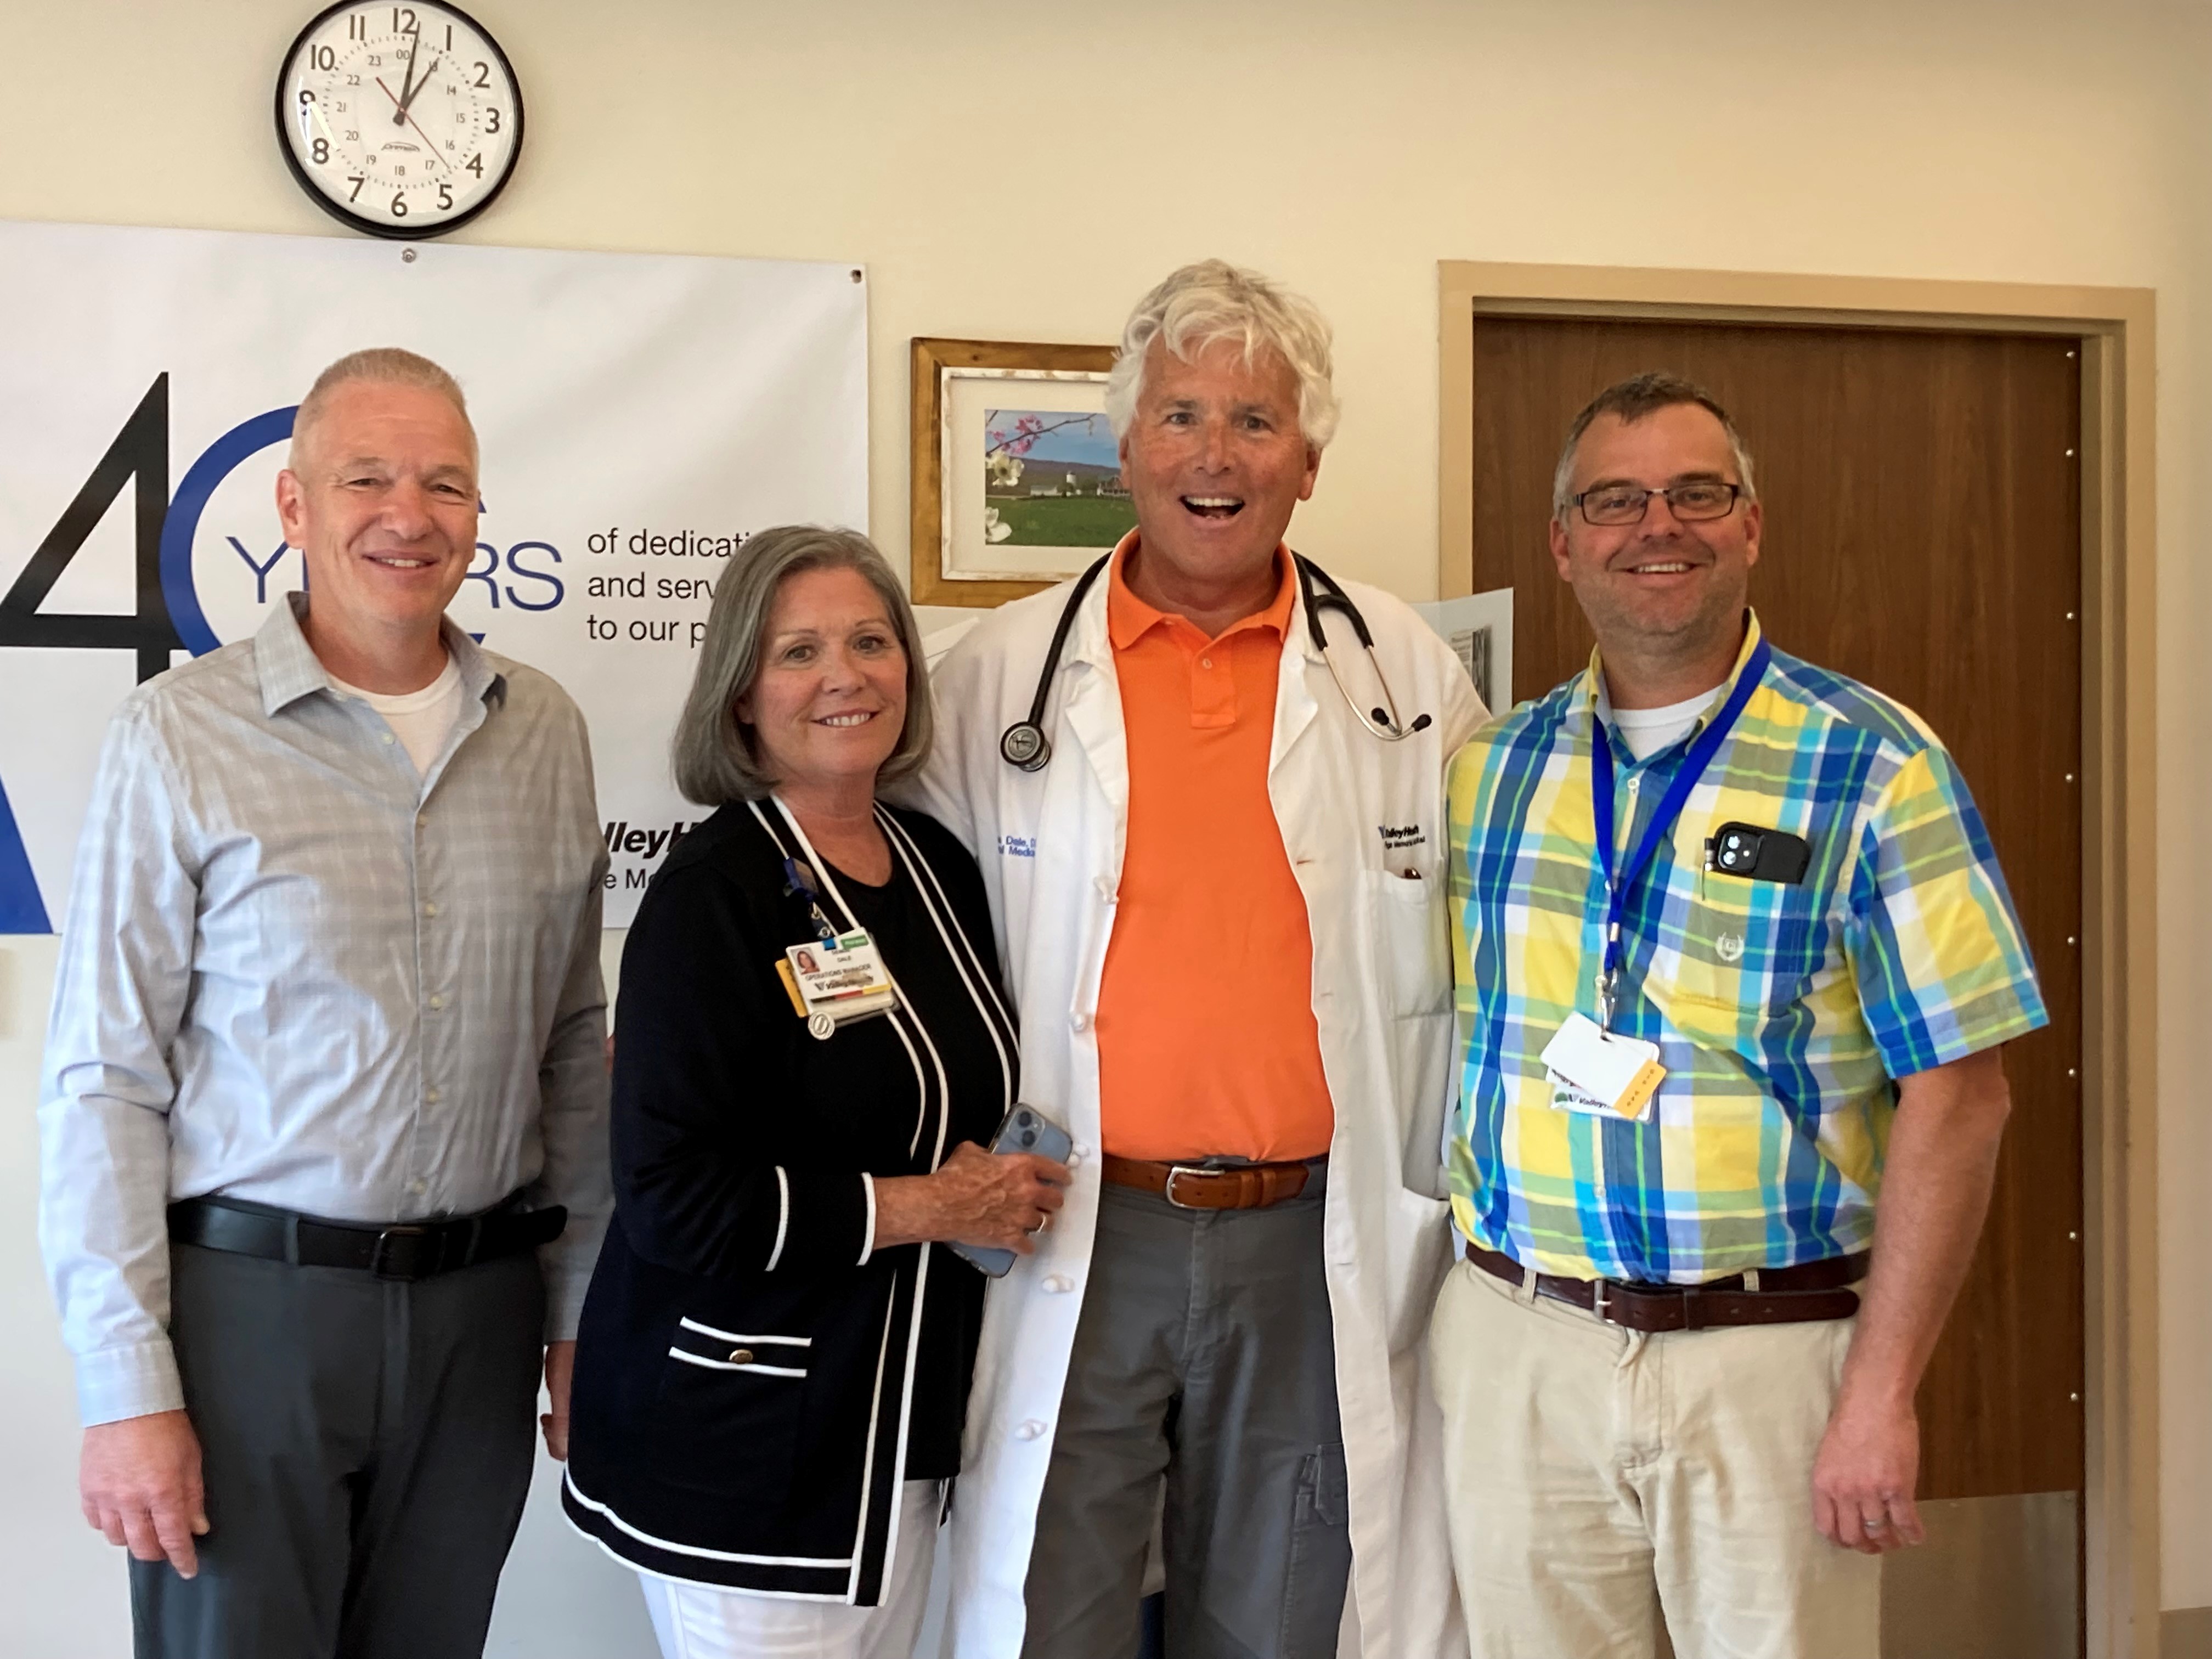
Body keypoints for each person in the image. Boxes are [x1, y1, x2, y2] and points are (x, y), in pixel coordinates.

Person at [911, 261, 1486, 1659]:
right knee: (1058, 1606)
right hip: (1078, 1229)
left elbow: (1485, 953)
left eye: (1254, 420)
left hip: (1312, 1237)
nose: (1214, 456)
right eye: (1179, 416)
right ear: (1126, 444)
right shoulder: (998, 676)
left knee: (1285, 1612)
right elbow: (915, 954)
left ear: (1308, 459)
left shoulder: (1403, 672)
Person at [1433, 371, 2049, 1658]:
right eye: (1614, 499)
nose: (1657, 526)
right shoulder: (1489, 773)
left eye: (1696, 493)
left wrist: (1882, 1394)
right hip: (1518, 1351)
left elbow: (1964, 1092)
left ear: (1751, 523)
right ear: (1562, 543)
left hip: (1770, 1357)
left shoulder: (1873, 763)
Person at [38, 348, 611, 1659]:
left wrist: (579, 1319)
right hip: (252, 1320)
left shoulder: (547, 731)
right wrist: (128, 1390)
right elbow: (104, 1078)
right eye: (367, 478)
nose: (409, 516)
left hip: (483, 1311)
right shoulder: (178, 734)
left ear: (478, 513)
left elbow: (573, 1053)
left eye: (445, 485)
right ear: (294, 507)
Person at [560, 525, 1069, 1659]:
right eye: (799, 652)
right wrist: (930, 1207)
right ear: (741, 696)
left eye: (871, 641)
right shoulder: (714, 894)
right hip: (750, 1453)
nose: (844, 675)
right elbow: (673, 1199)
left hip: (896, 1432)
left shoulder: (937, 864)